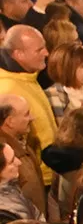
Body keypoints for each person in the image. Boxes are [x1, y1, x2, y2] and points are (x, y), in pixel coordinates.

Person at [0, 27, 53, 187]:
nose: (46, 53)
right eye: (39, 50)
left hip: (45, 173)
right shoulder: (7, 89)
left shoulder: (27, 78)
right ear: (18, 54)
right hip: (32, 180)